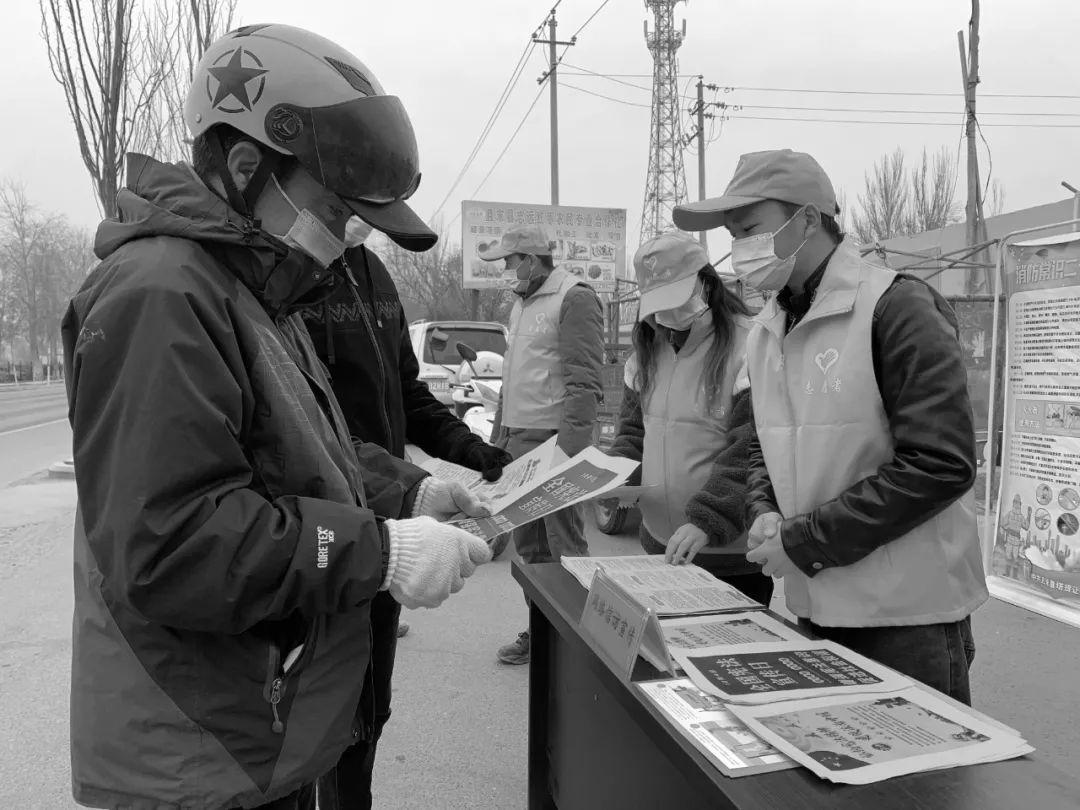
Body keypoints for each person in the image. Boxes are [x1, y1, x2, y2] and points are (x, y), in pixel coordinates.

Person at [63, 24, 493, 810]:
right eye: (334, 209)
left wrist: (406, 493)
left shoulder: (250, 289)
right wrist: (380, 551)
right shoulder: (160, 295)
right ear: (245, 165)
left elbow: (294, 445)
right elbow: (171, 541)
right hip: (190, 752)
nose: (346, 237)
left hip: (245, 730)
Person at [673, 149, 988, 704]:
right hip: (816, 603)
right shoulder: (769, 329)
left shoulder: (896, 307)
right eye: (733, 235)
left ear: (809, 219)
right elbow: (762, 449)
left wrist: (804, 541)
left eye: (749, 229)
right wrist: (764, 511)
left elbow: (942, 464)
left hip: (907, 619)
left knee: (916, 788)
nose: (740, 249)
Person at [300, 216, 512, 809]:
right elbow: (305, 433)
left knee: (368, 704)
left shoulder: (373, 273)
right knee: (324, 709)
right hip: (326, 520)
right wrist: (411, 489)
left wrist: (468, 449)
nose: (360, 220)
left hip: (390, 511)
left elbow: (407, 393)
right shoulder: (288, 277)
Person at [608, 232, 773, 605]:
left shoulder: (749, 346)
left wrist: (708, 518)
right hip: (659, 543)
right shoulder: (647, 351)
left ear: (706, 282)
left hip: (729, 552)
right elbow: (633, 432)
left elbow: (750, 445)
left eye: (677, 297)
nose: (668, 314)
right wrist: (612, 477)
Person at [478, 224, 604, 664]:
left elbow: (585, 382)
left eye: (510, 262)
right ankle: (543, 630)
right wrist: (497, 442)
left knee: (565, 546)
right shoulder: (522, 304)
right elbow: (514, 380)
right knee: (530, 547)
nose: (507, 271)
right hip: (518, 443)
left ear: (532, 259)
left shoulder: (575, 297)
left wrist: (569, 454)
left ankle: (584, 642)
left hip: (554, 443)